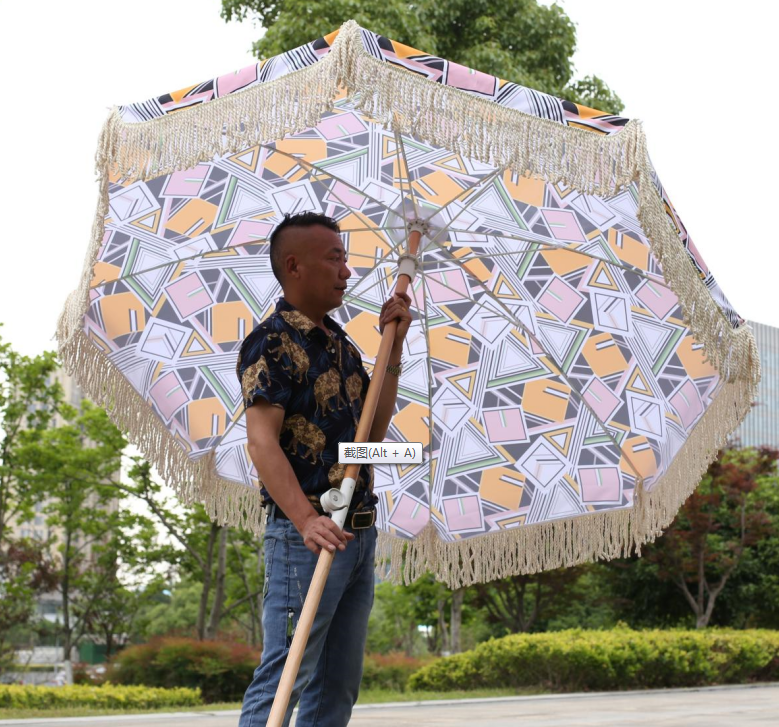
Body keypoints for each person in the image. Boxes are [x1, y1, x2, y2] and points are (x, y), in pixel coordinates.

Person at [236, 211, 412, 727]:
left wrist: (392, 345)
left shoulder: (342, 346)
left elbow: (370, 440)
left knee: (336, 688)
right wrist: (303, 520)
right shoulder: (270, 343)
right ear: (294, 266)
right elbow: (260, 441)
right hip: (306, 538)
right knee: (283, 679)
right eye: (334, 259)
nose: (347, 272)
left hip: (358, 536)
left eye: (345, 259)